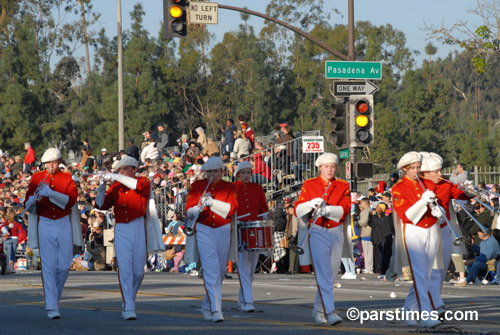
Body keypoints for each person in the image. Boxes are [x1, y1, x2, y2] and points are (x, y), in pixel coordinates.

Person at [95, 156, 164, 320]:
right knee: (125, 268)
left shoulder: (143, 182)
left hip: (138, 227)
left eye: (125, 168)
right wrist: (102, 185)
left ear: (134, 169)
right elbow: (100, 204)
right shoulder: (116, 187)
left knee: (138, 271)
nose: (121, 171)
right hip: (122, 228)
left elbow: (140, 188)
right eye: (120, 169)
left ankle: (129, 299)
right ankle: (128, 305)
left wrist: (117, 177)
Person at [294, 153, 351, 326]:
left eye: (333, 166)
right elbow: (298, 208)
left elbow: (346, 207)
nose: (330, 169)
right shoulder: (310, 184)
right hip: (317, 230)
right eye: (326, 166)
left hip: (336, 230)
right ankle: (330, 311)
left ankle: (318, 309)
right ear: (320, 167)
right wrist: (311, 203)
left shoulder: (342, 185)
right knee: (323, 273)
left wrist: (328, 211)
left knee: (331, 275)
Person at [25, 148, 81, 319]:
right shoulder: (36, 178)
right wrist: (31, 201)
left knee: (64, 266)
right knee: (49, 266)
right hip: (46, 222)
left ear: (59, 162)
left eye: (54, 162)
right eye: (48, 163)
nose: (51, 166)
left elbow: (71, 200)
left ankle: (53, 298)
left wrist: (51, 194)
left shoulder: (67, 177)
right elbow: (27, 199)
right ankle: (51, 306)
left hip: (63, 222)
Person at [184, 157, 238, 322]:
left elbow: (232, 209)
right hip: (204, 228)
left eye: (216, 171)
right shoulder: (197, 186)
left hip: (222, 229)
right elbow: (188, 211)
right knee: (211, 270)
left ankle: (207, 306)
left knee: (220, 271)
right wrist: (197, 207)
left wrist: (212, 202)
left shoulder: (229, 187)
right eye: (209, 172)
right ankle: (216, 310)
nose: (212, 175)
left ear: (222, 172)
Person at [391, 151, 442, 328]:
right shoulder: (398, 188)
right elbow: (406, 215)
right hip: (414, 231)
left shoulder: (427, 183)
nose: (417, 171)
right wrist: (422, 202)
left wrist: (438, 211)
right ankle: (425, 315)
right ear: (405, 169)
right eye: (413, 168)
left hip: (431, 229)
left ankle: (408, 308)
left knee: (425, 275)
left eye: (419, 167)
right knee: (420, 274)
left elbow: (436, 204)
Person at [419, 152, 471, 314]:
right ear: (425, 173)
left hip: (444, 230)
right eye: (436, 171)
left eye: (440, 170)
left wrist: (470, 190)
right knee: (430, 269)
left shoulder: (445, 184)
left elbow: (463, 195)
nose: (440, 174)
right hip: (424, 231)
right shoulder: (417, 185)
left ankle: (433, 300)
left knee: (440, 270)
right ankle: (432, 303)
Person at [233, 161, 268, 312]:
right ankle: (248, 300)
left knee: (252, 268)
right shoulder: (233, 188)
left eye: (248, 172)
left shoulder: (258, 188)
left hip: (255, 228)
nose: (246, 175)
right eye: (243, 172)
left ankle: (242, 299)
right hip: (240, 229)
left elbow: (263, 208)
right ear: (238, 174)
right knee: (243, 265)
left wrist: (266, 221)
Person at [358, 198, 373, 273]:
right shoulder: (367, 210)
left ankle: (369, 268)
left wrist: (357, 222)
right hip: (365, 233)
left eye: (361, 203)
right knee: (367, 252)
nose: (360, 205)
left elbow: (362, 222)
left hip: (367, 233)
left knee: (368, 252)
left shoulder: (366, 211)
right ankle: (368, 267)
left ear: (365, 203)